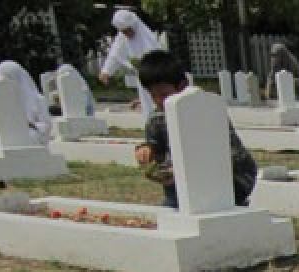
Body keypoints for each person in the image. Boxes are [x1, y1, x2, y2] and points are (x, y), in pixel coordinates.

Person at [132, 50, 257, 209]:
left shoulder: (206, 110)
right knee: (171, 211)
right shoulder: (156, 119)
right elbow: (157, 152)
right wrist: (146, 151)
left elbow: (231, 156)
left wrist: (187, 172)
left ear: (182, 86)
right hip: (180, 184)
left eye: (164, 94)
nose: (159, 101)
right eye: (153, 95)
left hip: (232, 178)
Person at [98, 9, 162, 123]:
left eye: (128, 30)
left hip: (156, 78)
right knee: (148, 110)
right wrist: (106, 71)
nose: (126, 34)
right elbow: (116, 53)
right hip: (142, 79)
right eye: (123, 32)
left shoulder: (148, 40)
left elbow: (157, 58)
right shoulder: (123, 37)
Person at [0, 61, 51, 145]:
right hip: (11, 133)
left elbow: (47, 125)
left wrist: (29, 125)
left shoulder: (38, 99)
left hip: (32, 134)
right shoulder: (6, 101)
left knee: (27, 137)